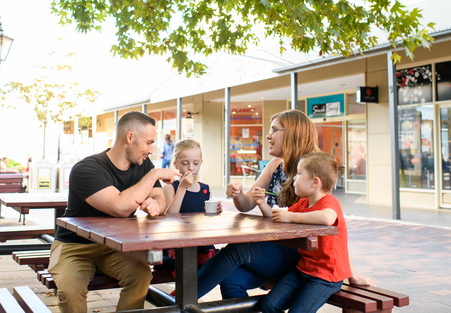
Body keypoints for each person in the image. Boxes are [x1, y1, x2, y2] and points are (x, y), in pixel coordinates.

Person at [197, 110, 372, 300]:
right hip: (271, 249)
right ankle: (181, 299)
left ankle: (180, 299)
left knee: (237, 249)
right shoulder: (275, 164)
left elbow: (334, 225)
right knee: (231, 280)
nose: (268, 135)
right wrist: (238, 195)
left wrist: (351, 274)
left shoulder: (314, 167)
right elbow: (246, 204)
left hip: (302, 258)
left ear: (292, 134)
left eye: (274, 130)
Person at [48, 111, 179, 313]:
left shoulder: (143, 165)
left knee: (141, 275)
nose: (151, 150)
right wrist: (154, 175)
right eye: (149, 142)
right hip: (75, 246)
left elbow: (159, 198)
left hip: (115, 248)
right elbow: (120, 207)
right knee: (71, 290)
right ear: (130, 137)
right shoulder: (86, 169)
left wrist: (155, 204)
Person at [259, 152, 350, 313]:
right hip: (304, 269)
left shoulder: (329, 202)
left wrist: (291, 216)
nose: (294, 178)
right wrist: (260, 202)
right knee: (269, 305)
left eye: (299, 173)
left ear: (315, 182)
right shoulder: (303, 203)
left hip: (326, 276)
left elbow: (327, 218)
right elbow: (278, 216)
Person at [157, 139, 222, 277]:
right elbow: (169, 217)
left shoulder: (205, 189)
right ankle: (182, 296)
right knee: (186, 270)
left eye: (196, 163)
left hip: (201, 245)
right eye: (185, 163)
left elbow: (206, 221)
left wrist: (216, 212)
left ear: (201, 163)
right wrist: (182, 188)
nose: (191, 167)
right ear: (175, 165)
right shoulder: (171, 188)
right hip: (177, 246)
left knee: (218, 265)